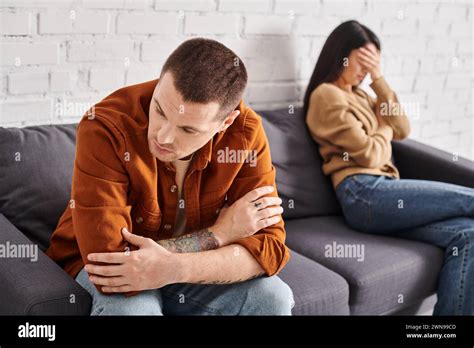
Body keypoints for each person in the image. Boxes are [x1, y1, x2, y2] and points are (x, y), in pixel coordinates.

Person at [46, 38, 294, 315]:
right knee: (133, 312)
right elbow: (113, 264)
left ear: (225, 123)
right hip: (96, 268)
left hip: (181, 271)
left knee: (274, 297)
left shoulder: (245, 133)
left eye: (188, 130)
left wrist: (173, 268)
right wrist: (219, 234)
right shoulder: (106, 126)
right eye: (160, 111)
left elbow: (270, 250)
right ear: (160, 82)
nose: (163, 136)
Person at [304, 20, 473, 315]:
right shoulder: (326, 95)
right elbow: (369, 155)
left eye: (373, 63)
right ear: (340, 55)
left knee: (468, 233)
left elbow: (403, 128)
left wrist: (379, 80)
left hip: (383, 191)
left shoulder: (364, 94)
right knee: (469, 199)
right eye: (361, 61)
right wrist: (383, 127)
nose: (365, 70)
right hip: (363, 191)